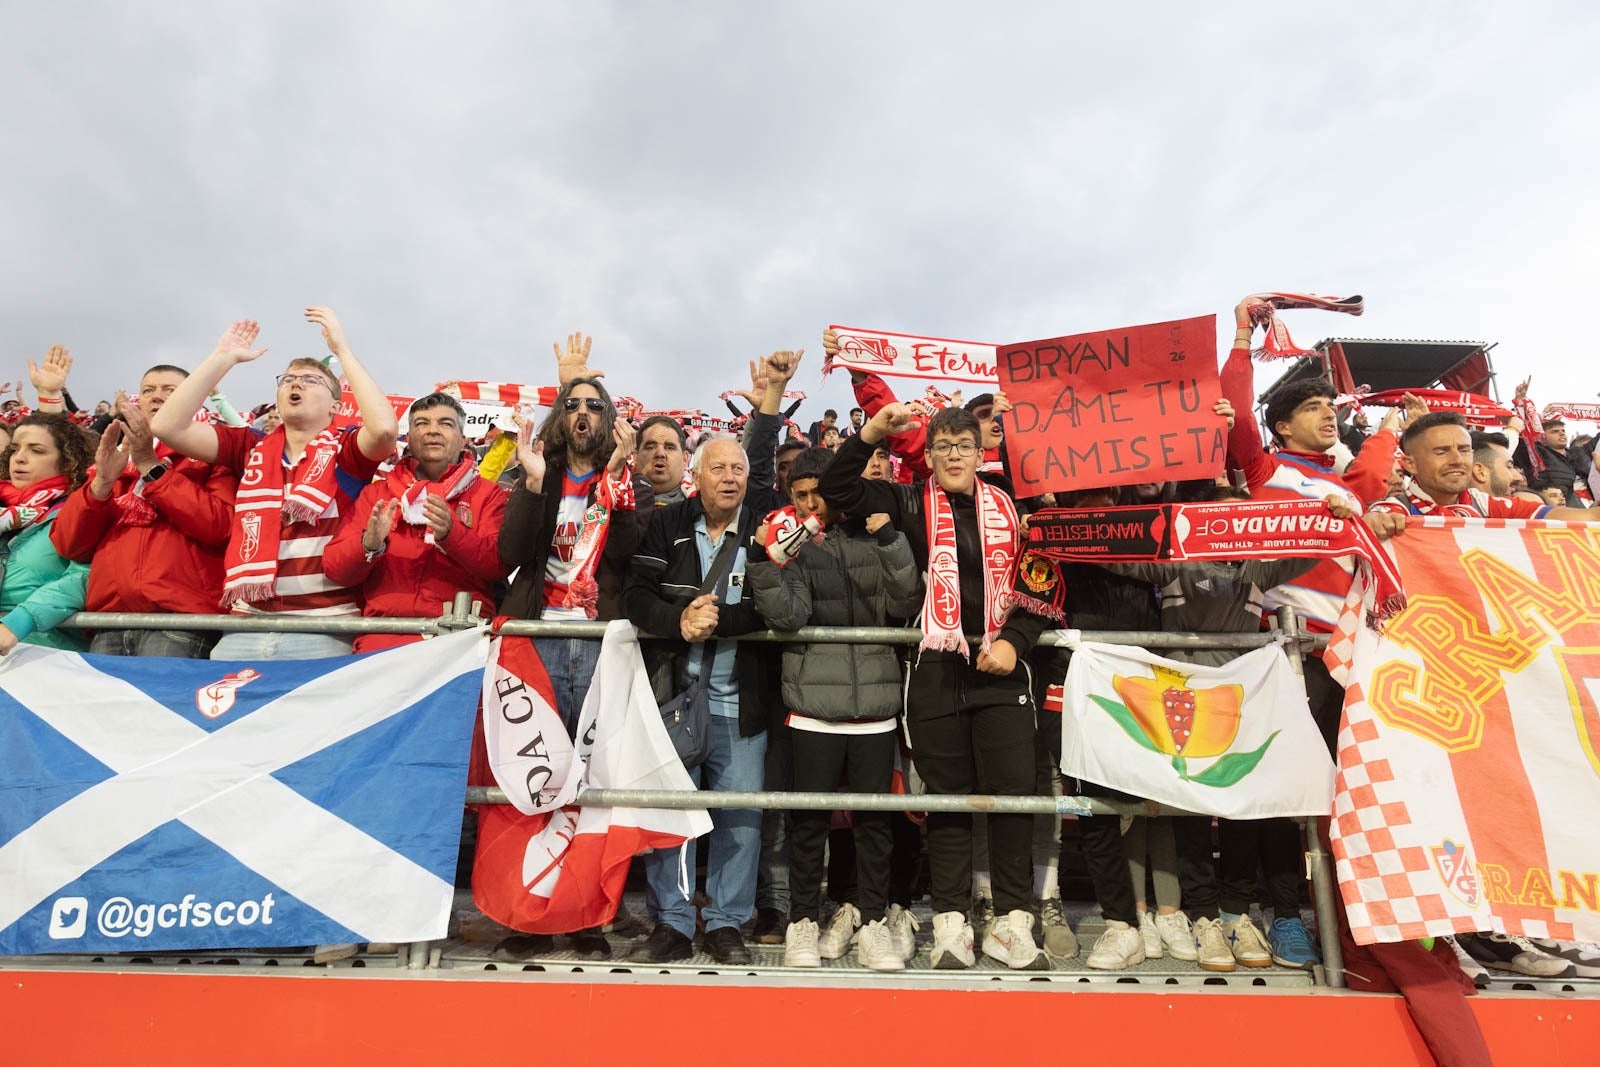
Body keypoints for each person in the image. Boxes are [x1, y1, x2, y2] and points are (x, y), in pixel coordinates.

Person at [820, 401, 1053, 971]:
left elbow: (1042, 576)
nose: (954, 456)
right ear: (927, 457)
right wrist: (872, 432)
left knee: (1013, 800)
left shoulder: (1012, 505)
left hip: (1002, 666)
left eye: (964, 446)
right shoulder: (906, 502)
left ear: (980, 453)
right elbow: (837, 487)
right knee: (946, 803)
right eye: (943, 447)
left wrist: (1014, 643)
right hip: (936, 667)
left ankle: (1012, 923)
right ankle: (951, 924)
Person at [622, 350, 796, 966]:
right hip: (673, 696)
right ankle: (671, 921)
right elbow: (635, 598)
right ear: (696, 475)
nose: (730, 477)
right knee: (672, 813)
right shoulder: (663, 526)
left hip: (740, 703)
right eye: (717, 467)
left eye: (739, 469)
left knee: (741, 821)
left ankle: (725, 922)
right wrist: (678, 620)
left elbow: (779, 606)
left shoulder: (763, 527)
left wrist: (719, 618)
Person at [492, 354, 649, 962]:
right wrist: (531, 482)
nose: (584, 413)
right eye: (574, 404)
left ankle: (584, 911)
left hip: (597, 640)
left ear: (610, 421)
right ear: (561, 416)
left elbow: (632, 558)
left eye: (595, 405)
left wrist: (621, 479)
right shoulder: (538, 472)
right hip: (535, 636)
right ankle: (528, 913)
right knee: (531, 771)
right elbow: (509, 551)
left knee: (589, 778)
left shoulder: (620, 479)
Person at [749, 447, 921, 971]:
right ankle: (803, 921)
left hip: (875, 702)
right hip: (812, 707)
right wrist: (764, 561)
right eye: (798, 496)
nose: (808, 505)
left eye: (816, 494)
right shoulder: (792, 546)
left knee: (874, 826)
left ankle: (870, 925)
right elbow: (790, 617)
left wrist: (891, 540)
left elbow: (905, 602)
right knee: (808, 824)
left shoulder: (878, 533)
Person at [149, 311, 398, 664]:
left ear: (336, 404)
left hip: (325, 630)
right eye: (288, 379)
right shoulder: (249, 446)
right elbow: (166, 426)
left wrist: (342, 350)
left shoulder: (347, 450)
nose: (295, 384)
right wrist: (222, 359)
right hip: (246, 625)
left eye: (311, 380)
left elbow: (386, 430)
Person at [52, 366, 238, 657]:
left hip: (182, 619)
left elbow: (220, 526)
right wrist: (101, 484)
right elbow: (70, 545)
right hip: (110, 619)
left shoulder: (216, 454)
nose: (156, 397)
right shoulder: (117, 459)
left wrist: (152, 468)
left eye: (170, 390)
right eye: (148, 390)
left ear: (195, 398)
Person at [324, 392, 510, 652]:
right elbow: (335, 569)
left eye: (445, 423)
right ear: (408, 438)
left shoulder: (487, 494)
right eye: (422, 423)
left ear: (463, 439)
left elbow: (498, 565)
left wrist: (452, 534)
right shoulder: (378, 493)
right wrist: (368, 545)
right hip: (382, 641)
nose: (433, 431)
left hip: (457, 643)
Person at [1367, 411, 1593, 524]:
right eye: (1441, 451)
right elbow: (1373, 523)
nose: (1457, 459)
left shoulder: (1484, 504)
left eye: (1464, 450)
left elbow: (1575, 519)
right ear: (1410, 464)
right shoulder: (1394, 513)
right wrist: (1374, 523)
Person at [0, 414, 92, 654]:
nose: (19, 459)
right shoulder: (4, 511)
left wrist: (20, 621)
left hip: (44, 653)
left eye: (37, 451)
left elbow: (84, 577)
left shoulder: (82, 509)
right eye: (14, 449)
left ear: (66, 461)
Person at [638, 415, 689, 505]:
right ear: (635, 457)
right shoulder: (614, 503)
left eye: (670, 448)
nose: (660, 454)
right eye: (650, 447)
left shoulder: (706, 509)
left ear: (685, 459)